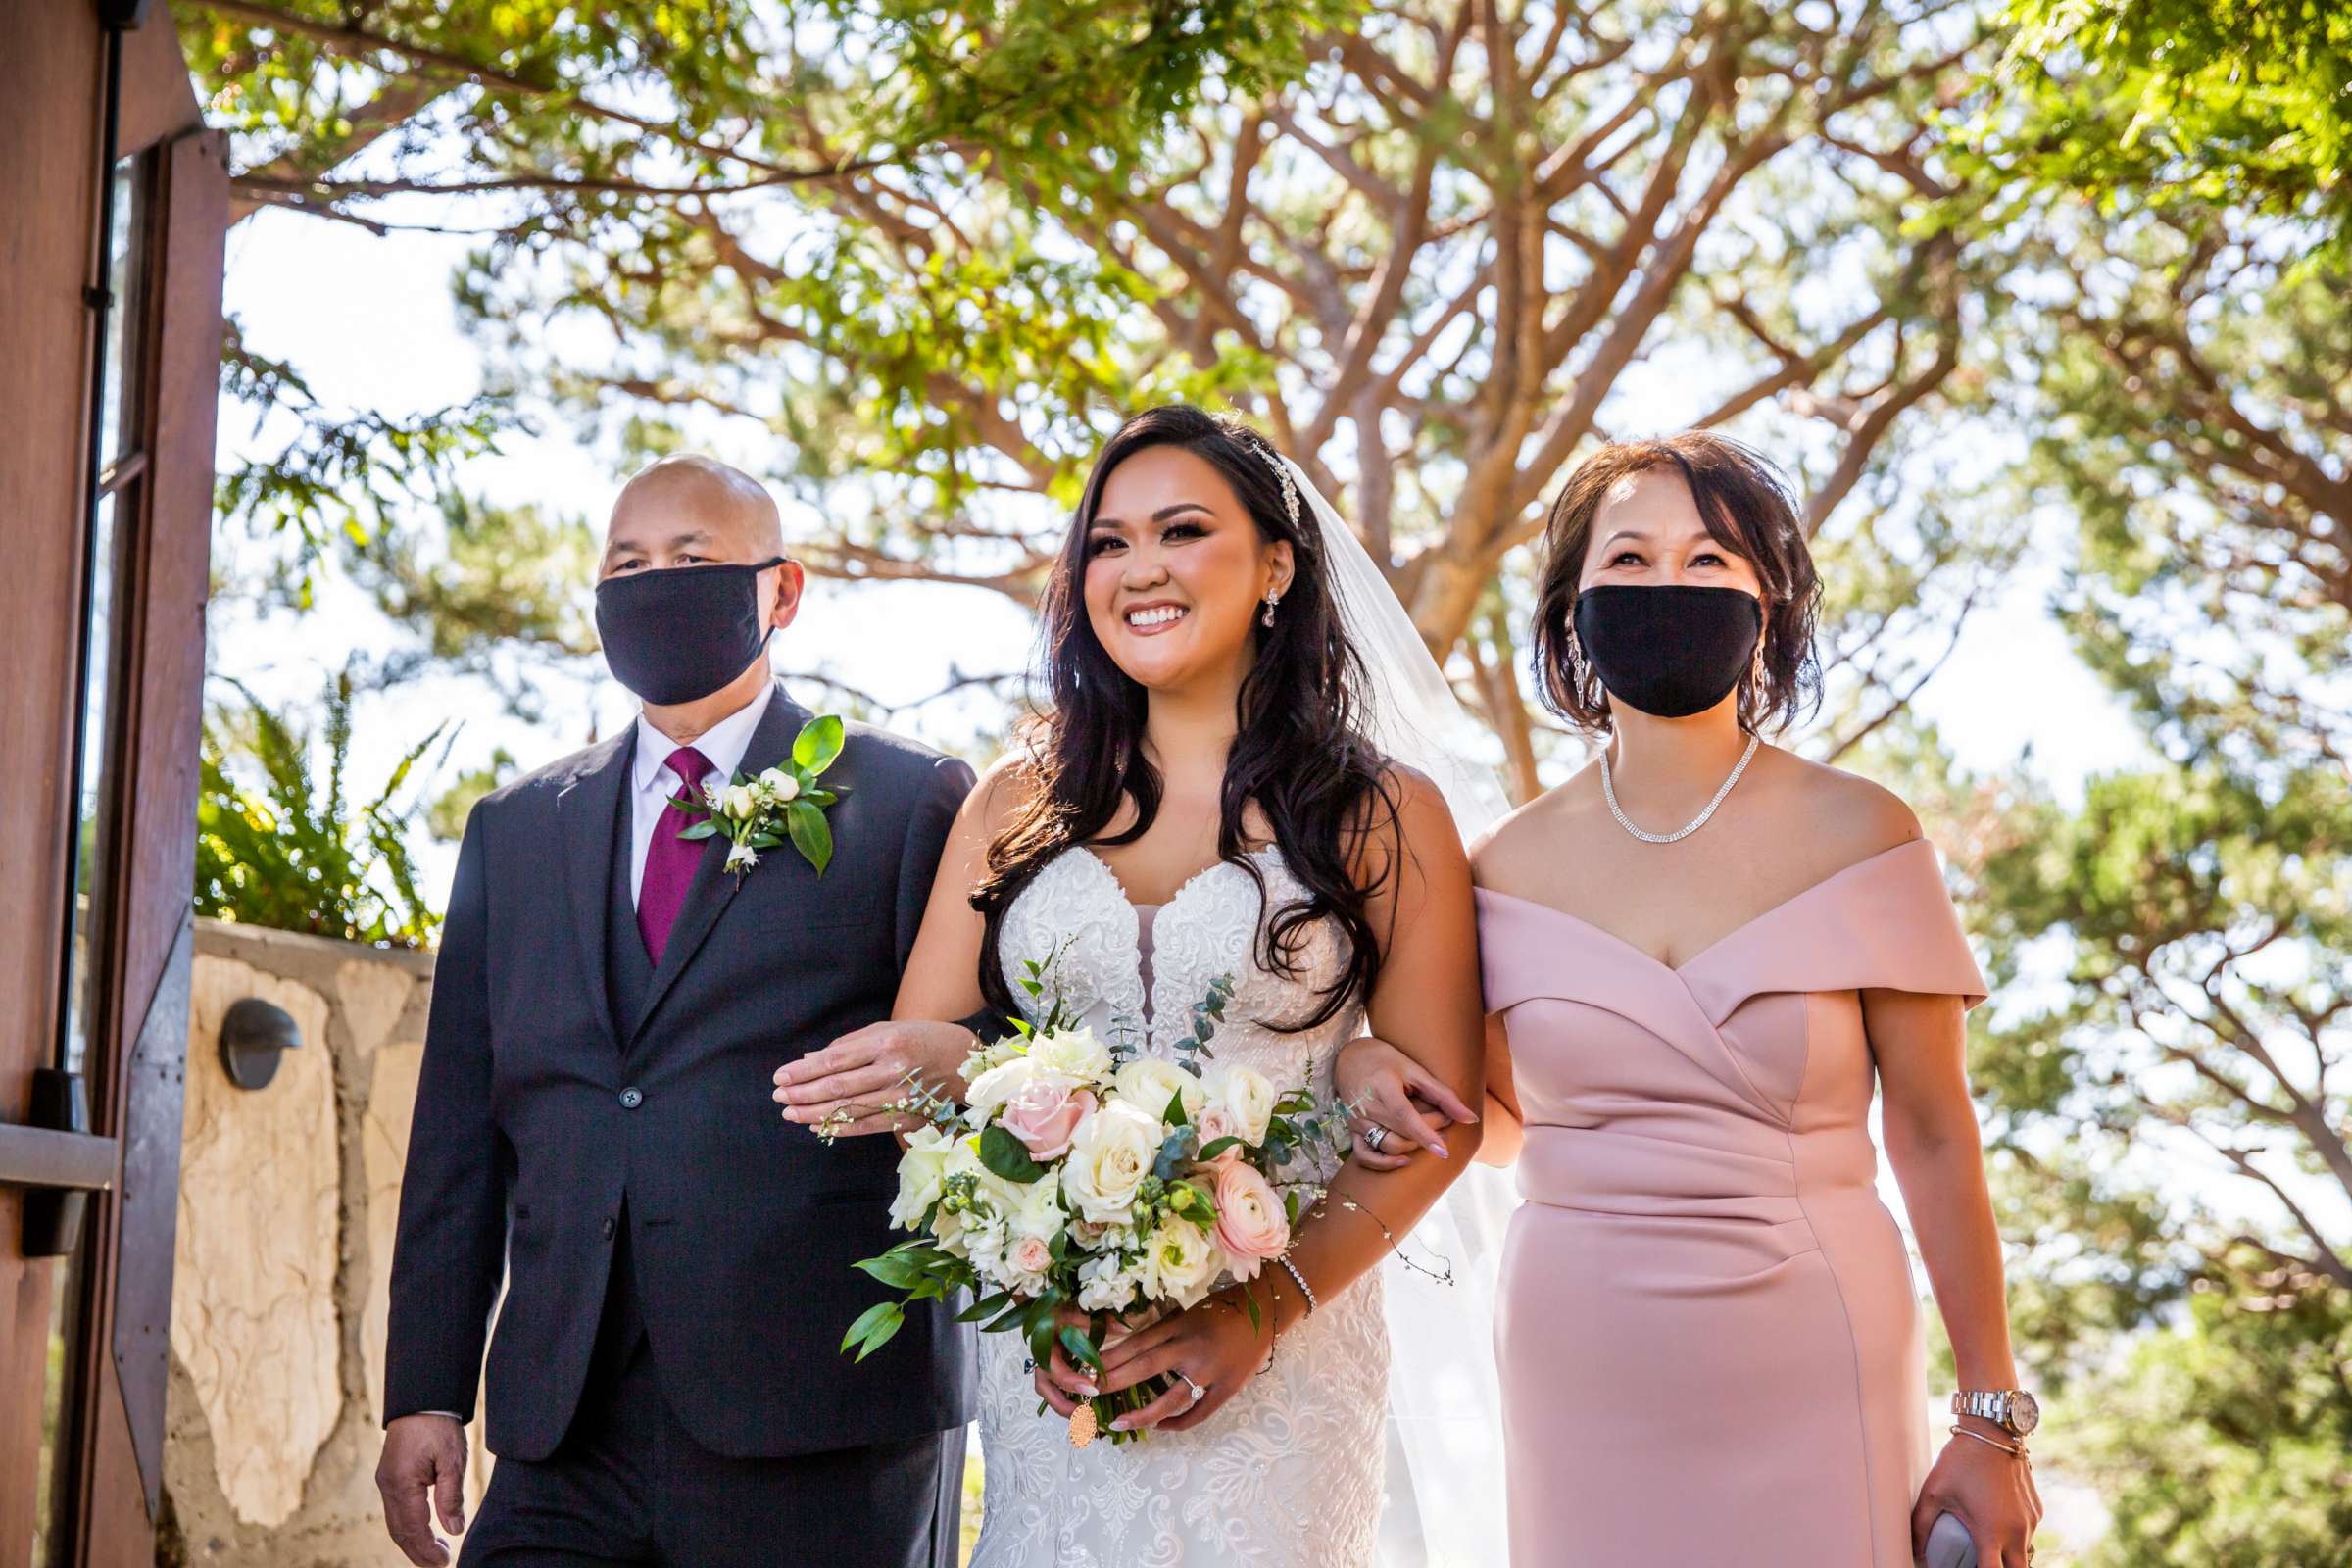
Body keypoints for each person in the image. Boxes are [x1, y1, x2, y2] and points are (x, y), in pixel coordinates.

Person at [774, 406, 1487, 1566]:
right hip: (1054, 1364)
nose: (1138, 568)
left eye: (1182, 530)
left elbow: (1436, 1124)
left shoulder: (1381, 810)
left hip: (1286, 1361)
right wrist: (1028, 1280)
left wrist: (1257, 1312)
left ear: (1276, 567)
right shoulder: (1019, 797)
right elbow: (934, 1062)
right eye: (1107, 543)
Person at [1340, 432, 2046, 1567]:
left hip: (1819, 1345)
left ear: (1768, 601)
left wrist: (1990, 1415)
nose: (1668, 586)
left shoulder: (1863, 832)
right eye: (1628, 560)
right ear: (1571, 605)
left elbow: (1931, 1130)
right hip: (1580, 1355)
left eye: (1709, 562)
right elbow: (1498, 1124)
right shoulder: (1498, 868)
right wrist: (1363, 1061)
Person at [376, 456, 974, 1568]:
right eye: (627, 563)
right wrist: (424, 1390)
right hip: (561, 1428)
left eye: (692, 560)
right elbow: (459, 1134)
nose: (655, 584)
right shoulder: (514, 830)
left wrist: (956, 1065)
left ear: (780, 592)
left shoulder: (910, 800)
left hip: (820, 1420)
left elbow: (1009, 1060)